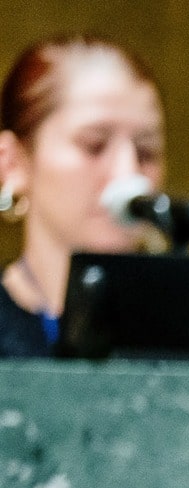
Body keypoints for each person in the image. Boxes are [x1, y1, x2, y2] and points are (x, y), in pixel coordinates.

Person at [0, 34, 164, 359]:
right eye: (94, 145)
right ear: (13, 164)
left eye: (146, 152)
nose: (128, 175)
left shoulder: (184, 331)